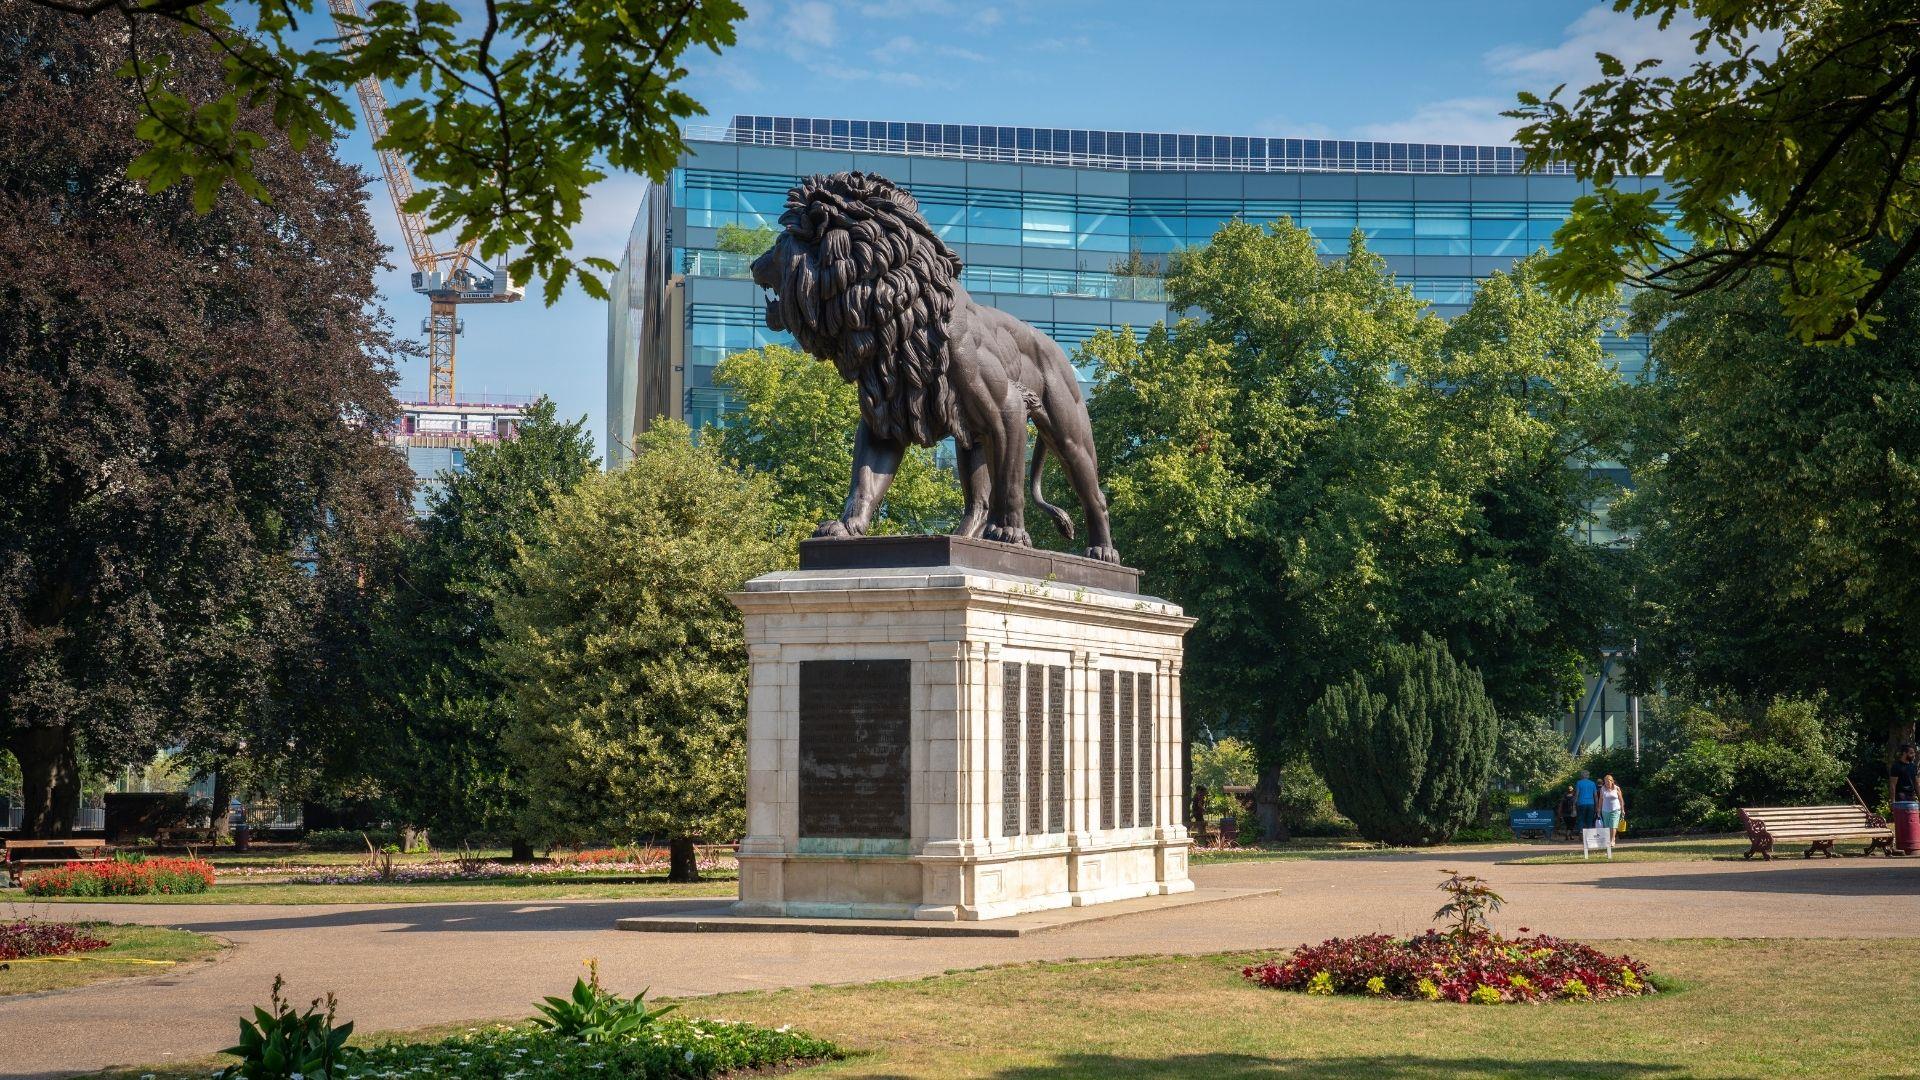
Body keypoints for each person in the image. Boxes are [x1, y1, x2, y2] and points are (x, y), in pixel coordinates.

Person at [1599, 774, 1627, 843]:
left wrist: (1622, 809)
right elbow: (1600, 799)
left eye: (1608, 781)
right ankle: (1608, 840)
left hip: (1616, 810)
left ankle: (1612, 839)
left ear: (1612, 781)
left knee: (1613, 825)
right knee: (1607, 826)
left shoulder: (1617, 788)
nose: (1606, 783)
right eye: (1605, 782)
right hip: (1605, 810)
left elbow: (1621, 800)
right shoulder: (1602, 789)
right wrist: (1599, 809)